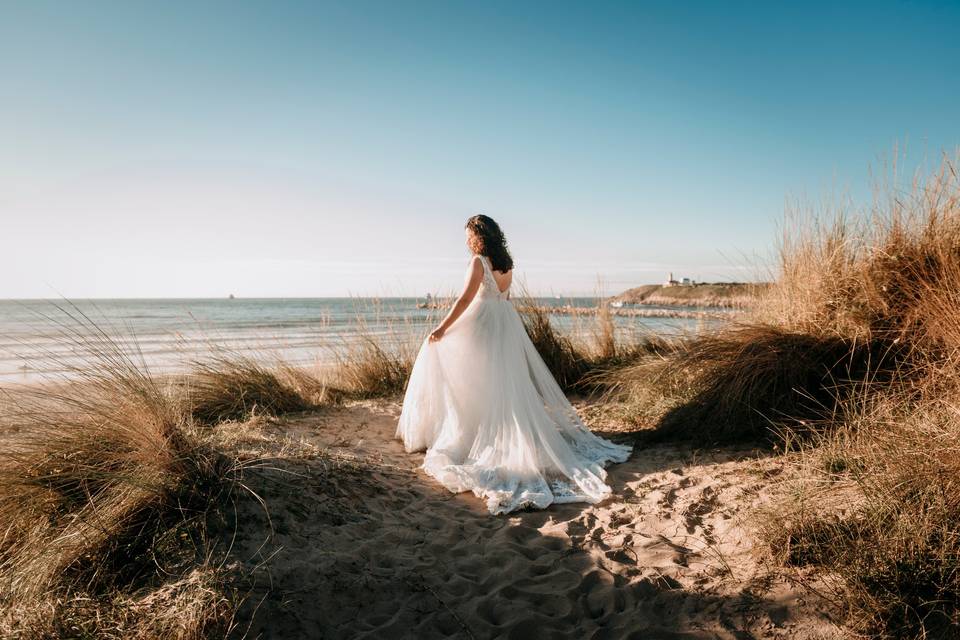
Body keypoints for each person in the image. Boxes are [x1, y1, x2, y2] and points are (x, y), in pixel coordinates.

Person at [397, 214, 631, 514]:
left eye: (469, 235)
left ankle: (473, 435)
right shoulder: (507, 264)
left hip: (483, 328)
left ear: (478, 236)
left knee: (468, 375)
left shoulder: (479, 262)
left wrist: (442, 328)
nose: (466, 240)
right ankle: (486, 430)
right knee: (496, 384)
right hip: (504, 327)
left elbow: (465, 301)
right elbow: (505, 300)